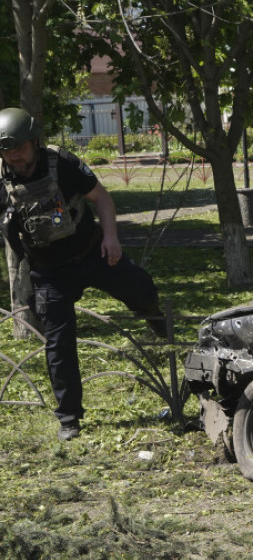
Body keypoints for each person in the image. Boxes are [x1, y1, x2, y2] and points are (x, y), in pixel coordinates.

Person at [0, 107, 165, 441]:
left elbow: (101, 198)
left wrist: (111, 238)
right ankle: (69, 419)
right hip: (49, 273)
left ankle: (155, 317)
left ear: (34, 141)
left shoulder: (60, 163)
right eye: (6, 149)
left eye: (19, 147)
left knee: (142, 288)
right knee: (59, 346)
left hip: (93, 252)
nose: (14, 155)